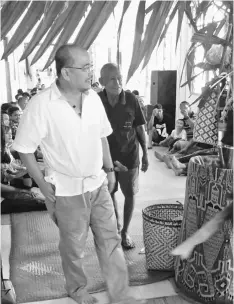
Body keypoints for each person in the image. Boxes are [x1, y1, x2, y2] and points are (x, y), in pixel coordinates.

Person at [12, 45, 145, 304]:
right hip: (67, 191)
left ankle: (120, 293)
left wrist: (109, 171)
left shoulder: (93, 98)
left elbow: (102, 135)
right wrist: (42, 185)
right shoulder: (41, 105)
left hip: (98, 184)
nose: (90, 72)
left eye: (90, 66)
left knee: (110, 240)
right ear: (65, 73)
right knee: (73, 248)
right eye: (84, 67)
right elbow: (24, 150)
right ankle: (78, 291)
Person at [98, 63, 149, 249]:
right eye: (112, 78)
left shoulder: (131, 99)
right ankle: (116, 226)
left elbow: (140, 128)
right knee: (109, 193)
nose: (117, 82)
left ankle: (125, 231)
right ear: (101, 81)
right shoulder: (95, 101)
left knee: (129, 194)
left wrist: (145, 154)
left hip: (129, 157)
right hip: (105, 159)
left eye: (119, 78)